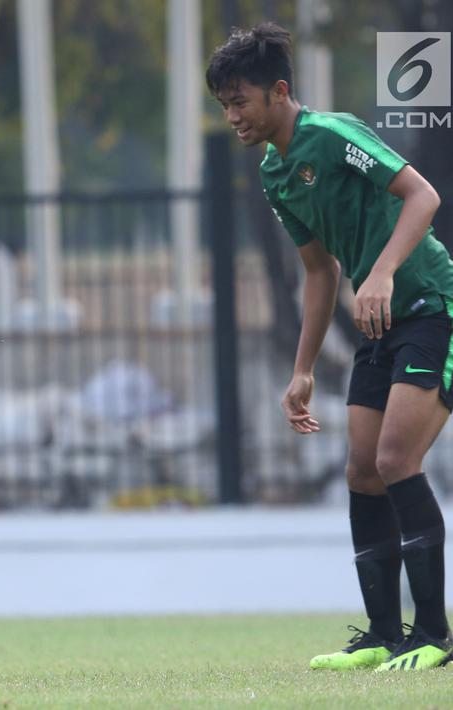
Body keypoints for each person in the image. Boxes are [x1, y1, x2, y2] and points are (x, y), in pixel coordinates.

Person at [208, 23, 453, 671]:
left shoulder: (331, 134)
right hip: (379, 327)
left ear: (278, 91)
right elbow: (318, 272)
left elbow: (421, 195)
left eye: (239, 102)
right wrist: (301, 370)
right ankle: (381, 635)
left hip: (431, 306)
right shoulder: (273, 172)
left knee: (396, 458)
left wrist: (381, 272)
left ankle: (433, 635)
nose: (231, 116)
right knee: (361, 471)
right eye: (223, 106)